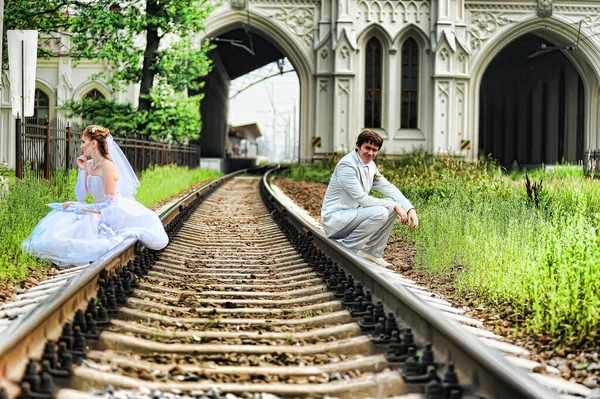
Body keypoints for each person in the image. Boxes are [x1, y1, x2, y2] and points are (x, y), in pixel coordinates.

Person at [21, 125, 169, 267]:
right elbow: (80, 196)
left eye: (83, 142)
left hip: (113, 210)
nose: (81, 146)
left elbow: (110, 202)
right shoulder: (89, 165)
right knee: (65, 212)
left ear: (93, 143)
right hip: (98, 207)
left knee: (79, 215)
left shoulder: (107, 166)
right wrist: (81, 170)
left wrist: (84, 208)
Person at [321, 129, 418, 267]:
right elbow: (362, 199)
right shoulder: (347, 165)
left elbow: (388, 188)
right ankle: (347, 251)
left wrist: (409, 208)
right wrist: (395, 206)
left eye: (375, 150)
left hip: (351, 216)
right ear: (358, 146)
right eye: (367, 148)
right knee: (383, 210)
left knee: (390, 205)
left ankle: (371, 253)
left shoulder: (370, 165)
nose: (370, 153)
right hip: (336, 219)